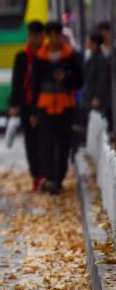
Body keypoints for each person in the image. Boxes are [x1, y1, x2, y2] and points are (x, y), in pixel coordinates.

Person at [30, 21, 83, 195]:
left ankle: (59, 178)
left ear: (61, 36)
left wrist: (65, 78)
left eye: (56, 35)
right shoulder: (40, 58)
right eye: (50, 35)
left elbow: (79, 81)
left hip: (65, 107)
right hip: (45, 108)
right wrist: (33, 111)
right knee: (46, 144)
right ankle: (50, 178)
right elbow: (35, 86)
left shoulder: (70, 56)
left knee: (63, 144)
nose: (53, 39)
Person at [9, 20, 45, 191]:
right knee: (31, 141)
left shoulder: (47, 55)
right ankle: (37, 175)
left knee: (46, 141)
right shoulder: (22, 56)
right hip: (27, 104)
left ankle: (47, 174)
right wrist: (15, 103)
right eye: (31, 36)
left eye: (37, 36)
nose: (33, 39)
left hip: (45, 105)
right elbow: (16, 82)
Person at [82, 30, 111, 127]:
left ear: (94, 43)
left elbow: (102, 80)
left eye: (88, 40)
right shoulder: (91, 57)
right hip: (89, 97)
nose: (86, 42)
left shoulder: (100, 59)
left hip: (98, 100)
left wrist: (97, 97)